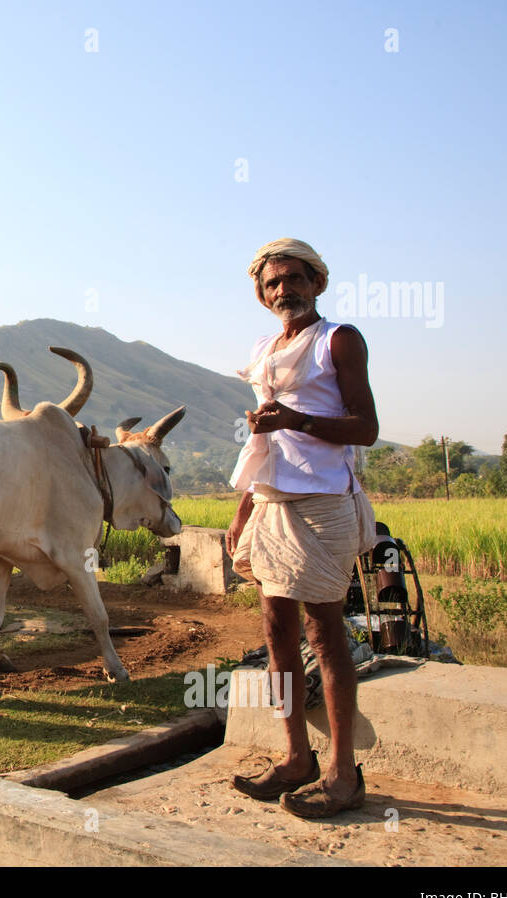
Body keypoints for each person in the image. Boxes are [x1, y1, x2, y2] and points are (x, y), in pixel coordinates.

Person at [226, 238, 379, 819]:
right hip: (272, 502)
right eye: (272, 283)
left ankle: (343, 773)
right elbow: (266, 439)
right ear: (262, 296)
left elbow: (365, 428)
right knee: (276, 631)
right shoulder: (267, 347)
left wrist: (301, 420)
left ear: (316, 282)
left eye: (293, 278)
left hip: (321, 504)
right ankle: (296, 757)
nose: (283, 289)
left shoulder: (338, 339)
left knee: (324, 632)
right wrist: (244, 509)